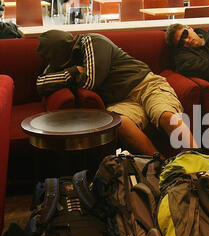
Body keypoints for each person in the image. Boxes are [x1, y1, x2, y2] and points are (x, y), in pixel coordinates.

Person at [36, 30, 197, 156]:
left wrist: (70, 75)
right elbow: (41, 83)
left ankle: (201, 164)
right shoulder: (63, 62)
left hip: (145, 84)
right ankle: (162, 167)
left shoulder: (91, 41)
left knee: (166, 115)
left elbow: (90, 82)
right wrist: (71, 72)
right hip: (121, 101)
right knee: (120, 123)